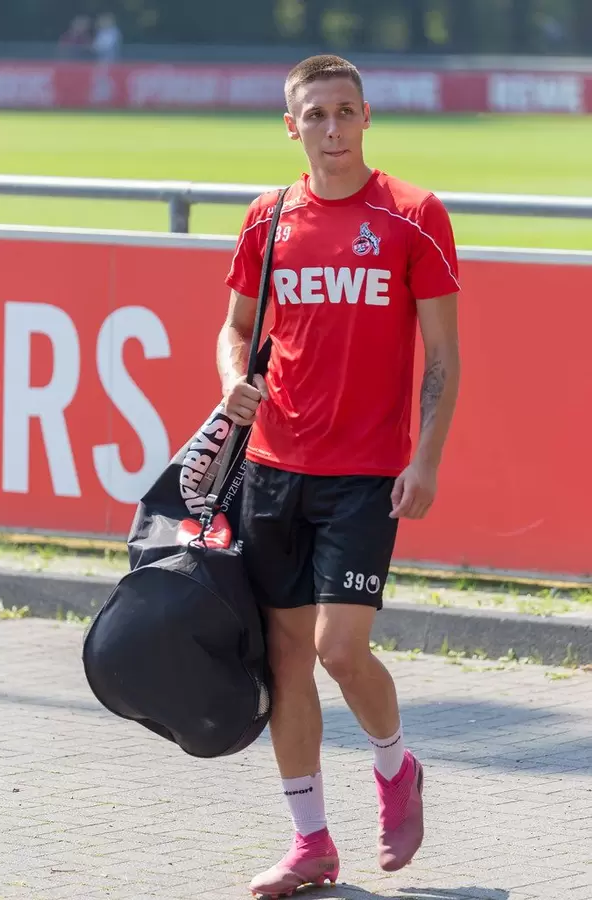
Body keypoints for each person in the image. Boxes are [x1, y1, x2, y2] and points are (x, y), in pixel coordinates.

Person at [217, 54, 461, 898]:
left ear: (367, 118)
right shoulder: (267, 217)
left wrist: (424, 457)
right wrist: (229, 379)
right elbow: (237, 326)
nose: (331, 127)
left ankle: (396, 770)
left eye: (345, 112)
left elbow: (444, 355)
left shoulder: (413, 215)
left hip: (364, 475)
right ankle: (311, 842)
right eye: (315, 114)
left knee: (338, 650)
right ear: (292, 125)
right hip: (273, 470)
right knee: (287, 662)